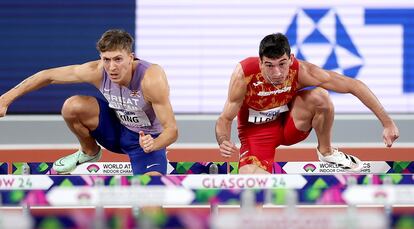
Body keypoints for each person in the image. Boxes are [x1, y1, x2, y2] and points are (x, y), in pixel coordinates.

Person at [0, 29, 178, 175]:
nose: (112, 67)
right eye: (106, 59)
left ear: (131, 57)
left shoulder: (151, 79)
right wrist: (5, 99)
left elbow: (171, 131)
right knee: (73, 106)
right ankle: (89, 152)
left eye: (118, 59)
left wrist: (154, 144)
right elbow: (48, 76)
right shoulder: (97, 71)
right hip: (115, 131)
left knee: (150, 201)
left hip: (145, 142)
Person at [215, 33, 399, 174]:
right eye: (269, 65)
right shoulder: (244, 75)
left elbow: (354, 85)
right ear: (260, 63)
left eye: (282, 64)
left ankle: (326, 151)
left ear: (291, 59)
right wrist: (223, 140)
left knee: (320, 96)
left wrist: (387, 123)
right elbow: (225, 118)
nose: (277, 72)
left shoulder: (302, 71)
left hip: (290, 124)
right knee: (251, 193)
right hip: (256, 135)